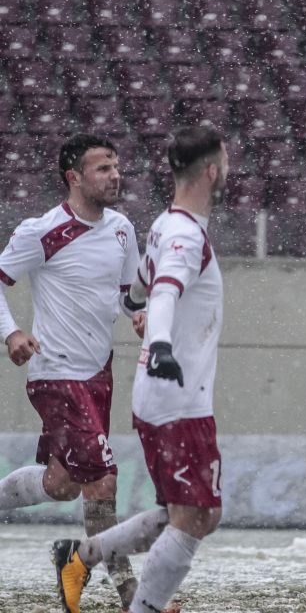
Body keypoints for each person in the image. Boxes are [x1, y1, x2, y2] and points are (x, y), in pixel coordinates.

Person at [51, 126, 229, 613]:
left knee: (189, 514)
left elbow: (145, 283)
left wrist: (133, 304)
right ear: (210, 171)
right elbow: (166, 289)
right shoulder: (185, 234)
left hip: (163, 395)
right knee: (195, 518)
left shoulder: (168, 224)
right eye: (225, 161)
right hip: (177, 398)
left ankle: (80, 557)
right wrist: (163, 343)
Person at [0, 134, 145, 613]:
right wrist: (11, 332)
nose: (115, 175)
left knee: (62, 484)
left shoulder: (122, 228)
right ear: (74, 178)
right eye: (103, 168)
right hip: (55, 374)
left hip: (98, 374)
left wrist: (141, 314)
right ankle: (133, 596)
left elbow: (127, 295)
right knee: (102, 481)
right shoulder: (42, 231)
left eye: (116, 166)